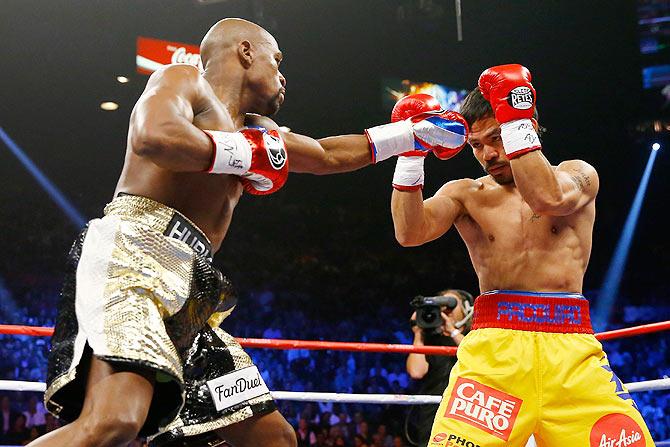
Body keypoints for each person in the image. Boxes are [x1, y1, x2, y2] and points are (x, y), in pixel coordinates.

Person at [29, 18, 467, 447]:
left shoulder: (261, 130)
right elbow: (154, 137)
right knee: (114, 424)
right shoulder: (183, 80)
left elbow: (328, 155)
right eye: (276, 61)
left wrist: (410, 133)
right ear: (245, 51)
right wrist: (239, 154)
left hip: (192, 285)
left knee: (273, 437)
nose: (282, 76)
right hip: (134, 253)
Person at [387, 65, 655, 445]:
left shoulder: (577, 175)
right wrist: (410, 155)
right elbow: (410, 233)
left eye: (497, 136)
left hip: (572, 352)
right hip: (495, 352)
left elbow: (548, 198)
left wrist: (516, 119)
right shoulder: (466, 192)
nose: (488, 154)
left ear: (524, 126)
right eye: (476, 145)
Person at [404, 289, 473, 447]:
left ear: (465, 309)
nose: (445, 310)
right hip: (433, 413)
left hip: (465, 413)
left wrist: (453, 331)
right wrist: (418, 334)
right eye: (441, 304)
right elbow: (416, 371)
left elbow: (476, 357)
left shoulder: (473, 337)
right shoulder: (431, 340)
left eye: (451, 304)